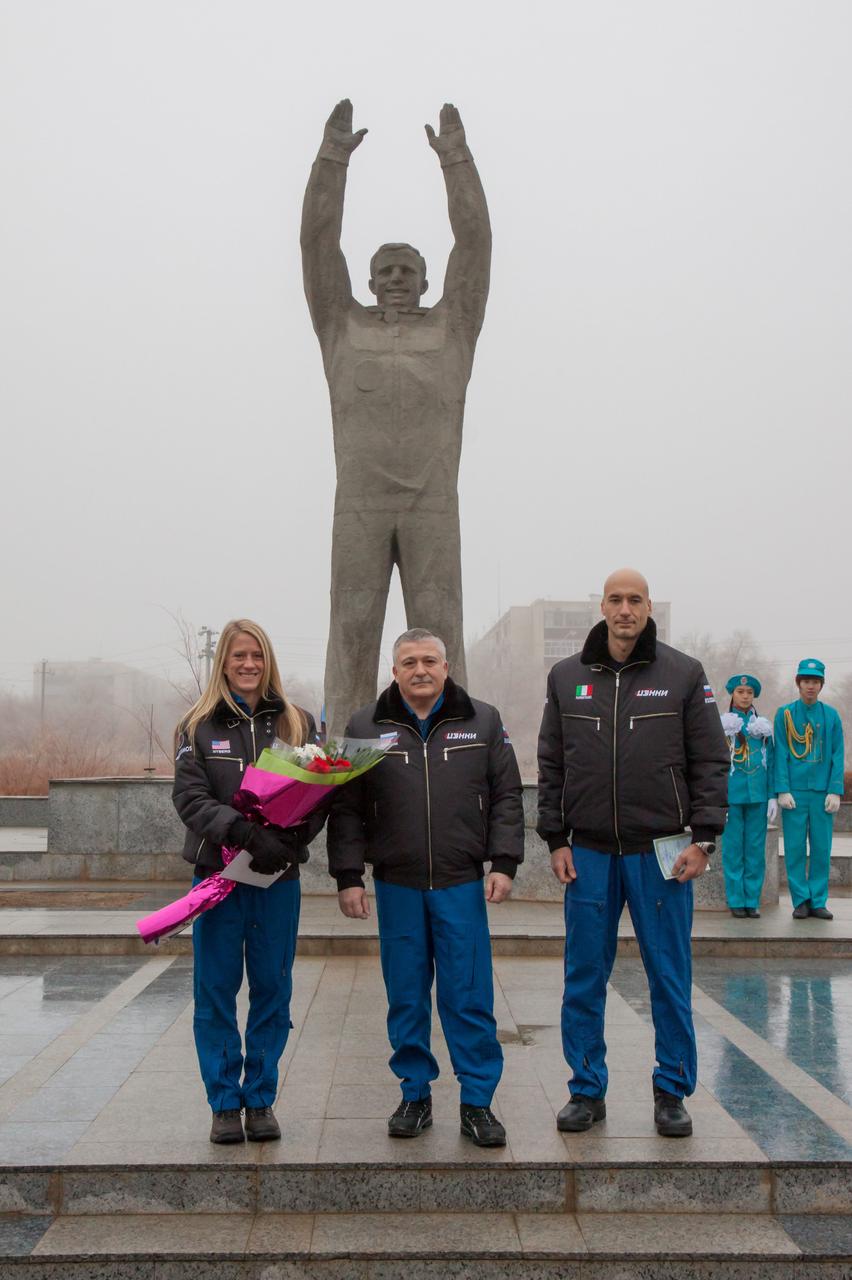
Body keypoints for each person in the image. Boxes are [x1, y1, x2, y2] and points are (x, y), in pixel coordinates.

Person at [301, 100, 491, 735]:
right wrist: (332, 160)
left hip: (432, 504)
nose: (395, 279)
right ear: (368, 279)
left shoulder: (452, 327)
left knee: (442, 638)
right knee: (350, 634)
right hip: (358, 504)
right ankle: (342, 753)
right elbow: (316, 242)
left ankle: (453, 743)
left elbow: (477, 243)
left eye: (408, 270)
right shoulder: (342, 325)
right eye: (384, 270)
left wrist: (456, 161)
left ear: (429, 279)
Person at [537, 569, 729, 1138]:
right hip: (590, 852)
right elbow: (552, 764)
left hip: (662, 853)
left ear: (649, 608)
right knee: (583, 976)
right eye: (616, 600)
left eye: (635, 600)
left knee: (669, 974)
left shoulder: (682, 675)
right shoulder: (567, 677)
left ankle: (671, 1089)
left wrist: (704, 837)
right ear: (601, 605)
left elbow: (711, 762)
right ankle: (586, 1089)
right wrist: (555, 838)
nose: (625, 609)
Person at [326, 628, 523, 1147]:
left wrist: (504, 861)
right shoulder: (365, 725)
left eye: (429, 660)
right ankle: (415, 1094)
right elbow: (345, 807)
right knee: (407, 996)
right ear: (393, 671)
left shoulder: (483, 720)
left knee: (469, 995)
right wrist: (348, 876)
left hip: (460, 884)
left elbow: (506, 794)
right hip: (398, 886)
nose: (420, 670)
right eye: (409, 662)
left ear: (446, 666)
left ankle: (478, 1101)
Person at [172, 619, 322, 1144]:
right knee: (214, 991)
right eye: (238, 655)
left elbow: (321, 792)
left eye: (256, 654)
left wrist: (288, 843)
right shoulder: (197, 725)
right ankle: (222, 1104)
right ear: (224, 662)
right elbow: (190, 799)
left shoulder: (298, 722)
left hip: (276, 880)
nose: (248, 664)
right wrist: (243, 834)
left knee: (272, 988)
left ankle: (259, 1100)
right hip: (217, 879)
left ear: (268, 659)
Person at [774, 659, 845, 920]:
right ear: (798, 684)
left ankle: (818, 900)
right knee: (793, 848)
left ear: (821, 685)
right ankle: (800, 900)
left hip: (822, 792)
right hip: (794, 792)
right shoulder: (786, 714)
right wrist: (782, 789)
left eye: (815, 681)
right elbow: (780, 751)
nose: (810, 686)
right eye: (806, 681)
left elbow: (838, 753)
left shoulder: (831, 715)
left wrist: (835, 790)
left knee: (821, 848)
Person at [720, 674, 776, 918]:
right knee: (733, 850)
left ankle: (752, 900)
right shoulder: (722, 724)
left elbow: (772, 762)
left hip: (758, 795)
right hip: (731, 795)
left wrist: (773, 796)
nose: (745, 696)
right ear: (732, 694)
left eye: (749, 692)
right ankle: (735, 900)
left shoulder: (762, 726)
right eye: (740, 691)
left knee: (755, 850)